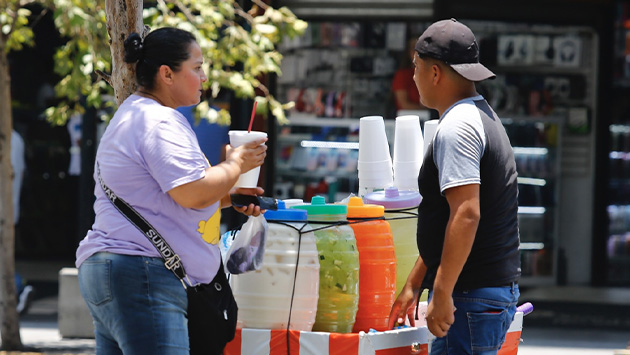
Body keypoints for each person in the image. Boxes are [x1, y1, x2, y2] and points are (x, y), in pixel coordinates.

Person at [75, 27, 267, 354]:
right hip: (143, 272)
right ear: (167, 74)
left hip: (120, 270)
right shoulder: (160, 121)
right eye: (196, 67)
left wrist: (229, 196)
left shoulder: (134, 114)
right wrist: (235, 165)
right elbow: (191, 193)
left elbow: (168, 201)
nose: (204, 77)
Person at [388, 19, 521, 355]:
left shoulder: (457, 128)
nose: (413, 75)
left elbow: (465, 213)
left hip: (470, 294)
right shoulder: (476, 114)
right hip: (479, 291)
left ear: (435, 73)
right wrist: (416, 282)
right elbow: (448, 217)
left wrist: (444, 292)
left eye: (416, 67)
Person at [391, 37, 426, 111]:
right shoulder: (402, 75)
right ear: (408, 52)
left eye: (420, 49)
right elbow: (404, 104)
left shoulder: (433, 72)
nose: (417, 53)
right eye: (414, 49)